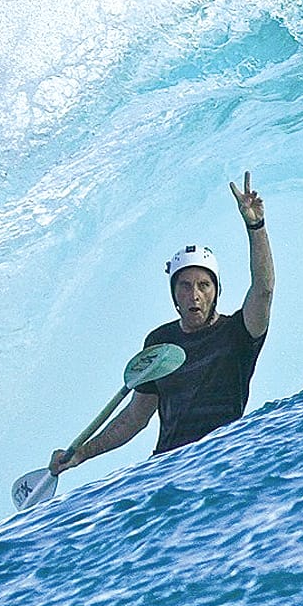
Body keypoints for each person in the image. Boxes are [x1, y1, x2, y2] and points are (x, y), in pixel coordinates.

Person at [47, 172, 274, 476]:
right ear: (174, 294)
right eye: (185, 286)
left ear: (216, 291)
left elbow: (263, 289)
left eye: (204, 285)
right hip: (168, 468)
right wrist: (82, 453)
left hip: (224, 458)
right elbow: (133, 419)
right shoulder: (160, 342)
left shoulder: (240, 332)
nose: (194, 295)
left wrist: (255, 226)